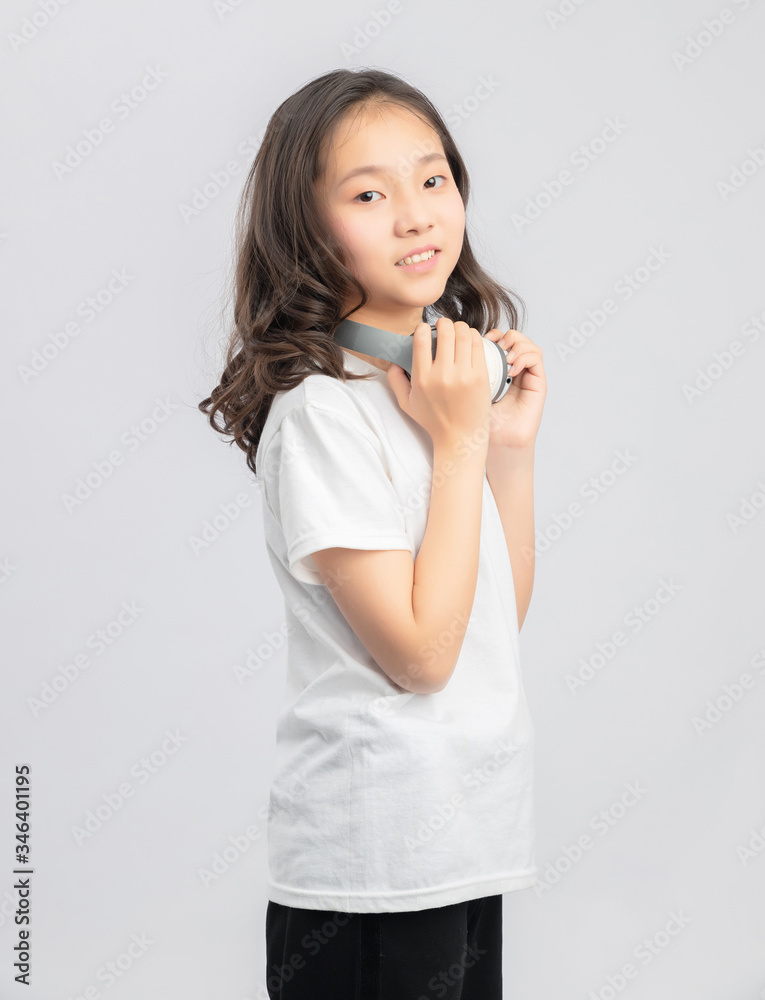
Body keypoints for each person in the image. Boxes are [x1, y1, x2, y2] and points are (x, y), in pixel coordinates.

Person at [199, 66, 547, 1000]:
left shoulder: (435, 397)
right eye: (367, 194)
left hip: (464, 838)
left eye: (433, 180)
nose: (416, 216)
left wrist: (501, 450)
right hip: (374, 859)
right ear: (308, 231)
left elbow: (488, 623)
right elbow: (423, 659)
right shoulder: (323, 412)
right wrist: (464, 436)